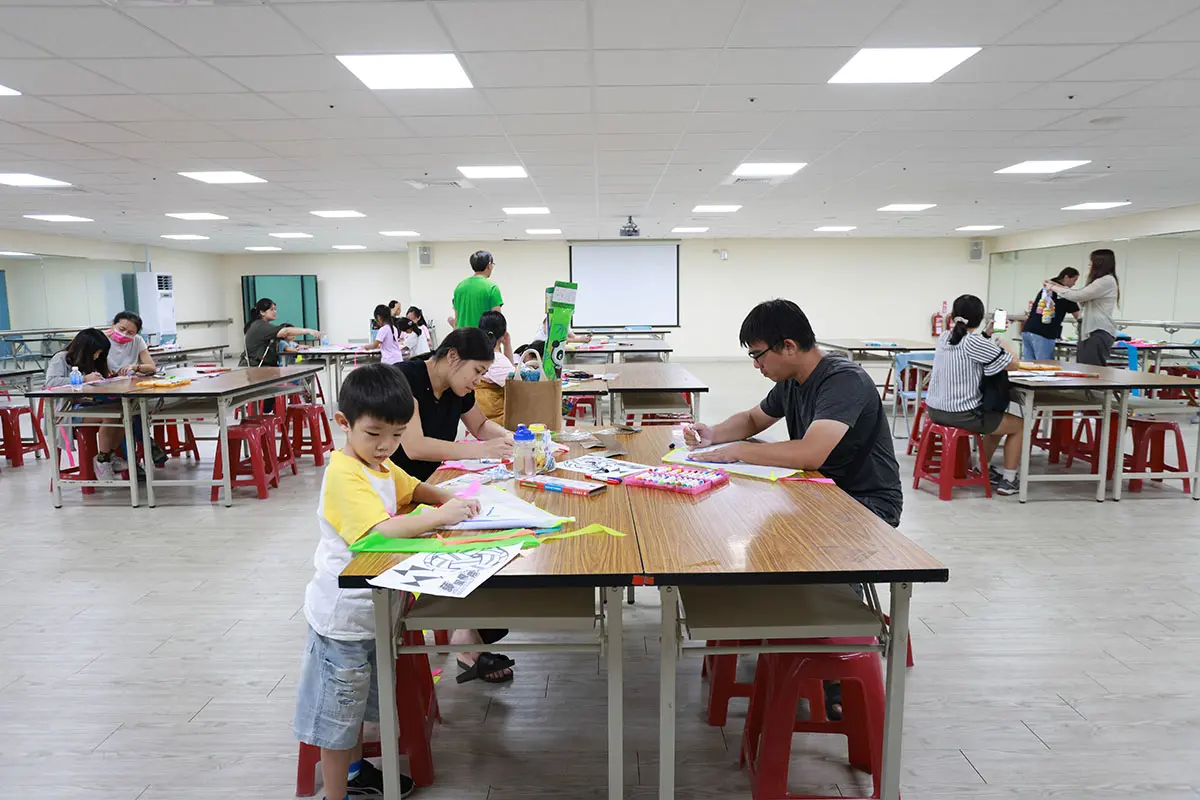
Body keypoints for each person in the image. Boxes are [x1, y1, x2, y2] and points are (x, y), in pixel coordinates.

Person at [293, 364, 480, 800]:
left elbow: (410, 486)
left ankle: (356, 773)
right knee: (339, 721)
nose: (385, 446)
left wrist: (451, 496)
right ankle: (337, 794)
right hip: (343, 619)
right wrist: (441, 516)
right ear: (344, 423)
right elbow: (376, 533)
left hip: (372, 611)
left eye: (396, 435)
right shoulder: (344, 472)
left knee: (355, 708)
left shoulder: (377, 464)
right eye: (374, 434)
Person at [686, 299, 903, 528]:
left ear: (789, 346)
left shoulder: (844, 380)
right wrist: (712, 434)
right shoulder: (792, 379)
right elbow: (753, 419)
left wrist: (740, 450)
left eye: (758, 355)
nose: (757, 365)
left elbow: (810, 453)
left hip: (866, 503)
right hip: (821, 487)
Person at [389, 327, 517, 683]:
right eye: (476, 371)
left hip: (432, 487)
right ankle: (465, 635)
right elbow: (415, 447)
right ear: (452, 357)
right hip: (399, 493)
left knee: (488, 528)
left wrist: (517, 439)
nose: (478, 381)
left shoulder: (458, 390)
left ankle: (469, 632)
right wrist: (480, 451)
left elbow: (481, 426)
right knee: (470, 539)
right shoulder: (406, 379)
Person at [924, 294, 1024, 496]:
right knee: (1019, 425)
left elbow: (973, 347)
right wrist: (1008, 347)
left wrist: (987, 333)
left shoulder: (945, 337)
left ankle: (981, 468)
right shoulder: (974, 343)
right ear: (979, 318)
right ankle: (1009, 480)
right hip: (962, 414)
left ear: (953, 315)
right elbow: (1013, 364)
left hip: (936, 410)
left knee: (996, 418)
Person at [44, 328, 126, 480]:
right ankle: (102, 461)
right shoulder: (61, 358)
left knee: (124, 415)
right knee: (111, 417)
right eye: (96, 352)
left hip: (86, 405)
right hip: (66, 412)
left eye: (100, 353)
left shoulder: (91, 361)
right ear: (85, 349)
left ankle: (108, 455)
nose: (97, 356)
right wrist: (83, 379)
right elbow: (51, 382)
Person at [1044, 249, 1120, 367]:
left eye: (1091, 264)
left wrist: (1053, 287)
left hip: (1098, 330)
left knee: (1091, 369)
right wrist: (1057, 285)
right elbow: (1079, 294)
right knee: (1084, 367)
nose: (1089, 266)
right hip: (1090, 330)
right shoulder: (1101, 281)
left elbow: (1078, 295)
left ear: (1099, 263)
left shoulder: (1106, 281)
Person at [1020, 267, 1080, 361]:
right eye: (1074, 280)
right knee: (1044, 365)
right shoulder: (1065, 294)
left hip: (1027, 330)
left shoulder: (1045, 290)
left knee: (1029, 364)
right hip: (1044, 333)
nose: (1074, 284)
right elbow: (1078, 316)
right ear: (1066, 277)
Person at [243, 298, 322, 368]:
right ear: (262, 312)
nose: (275, 312)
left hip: (261, 365)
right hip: (256, 367)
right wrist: (308, 331)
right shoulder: (260, 326)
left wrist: (298, 346)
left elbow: (284, 338)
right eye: (271, 310)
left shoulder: (260, 325)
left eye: (275, 309)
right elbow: (286, 331)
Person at [475, 310, 515, 425]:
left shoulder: (477, 355)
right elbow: (516, 385)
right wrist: (507, 344)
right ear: (503, 334)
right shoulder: (497, 360)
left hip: (480, 418)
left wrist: (507, 345)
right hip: (497, 422)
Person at [448, 250, 503, 329]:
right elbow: (497, 321)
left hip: (462, 335)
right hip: (482, 335)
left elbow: (457, 320)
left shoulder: (459, 287)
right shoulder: (492, 288)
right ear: (489, 266)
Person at [105, 311, 157, 377]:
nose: (124, 334)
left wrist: (135, 367)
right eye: (121, 329)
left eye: (130, 333)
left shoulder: (137, 340)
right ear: (113, 325)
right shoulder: (102, 339)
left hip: (131, 379)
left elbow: (152, 368)